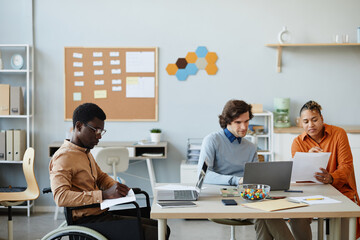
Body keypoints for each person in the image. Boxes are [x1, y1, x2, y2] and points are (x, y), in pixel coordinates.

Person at [49, 103, 170, 240]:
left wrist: (116, 188)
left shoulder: (85, 152)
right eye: (95, 130)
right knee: (155, 234)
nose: (99, 136)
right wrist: (104, 195)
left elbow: (100, 177)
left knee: (162, 228)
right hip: (88, 222)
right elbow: (61, 197)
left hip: (102, 215)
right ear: (78, 126)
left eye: (101, 131)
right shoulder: (64, 157)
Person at [256, 100, 360, 240]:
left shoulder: (338, 134)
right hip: (310, 193)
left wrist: (332, 178)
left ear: (322, 119)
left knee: (345, 225)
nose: (310, 125)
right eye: (305, 121)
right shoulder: (298, 142)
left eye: (314, 120)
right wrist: (306, 159)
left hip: (341, 190)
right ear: (300, 123)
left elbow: (346, 166)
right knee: (297, 218)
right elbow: (299, 176)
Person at [197, 99, 257, 186]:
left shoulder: (251, 147)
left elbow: (256, 177)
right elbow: (203, 175)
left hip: (244, 193)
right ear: (227, 121)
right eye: (238, 122)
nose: (244, 127)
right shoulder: (212, 140)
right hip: (217, 192)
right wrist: (237, 180)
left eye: (246, 121)